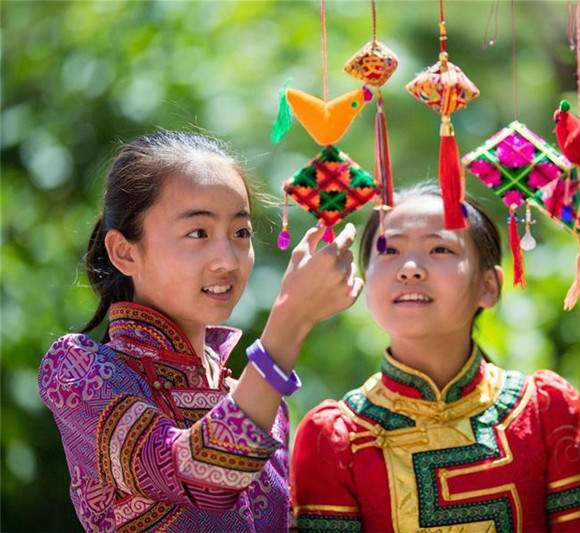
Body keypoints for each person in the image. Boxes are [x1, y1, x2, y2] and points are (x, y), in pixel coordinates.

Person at [38, 131, 362, 532]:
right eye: (198, 233)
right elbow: (202, 476)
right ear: (125, 252)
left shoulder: (259, 401)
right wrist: (290, 318)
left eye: (240, 233)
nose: (227, 260)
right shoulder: (79, 372)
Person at [291, 184, 580, 532]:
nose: (410, 269)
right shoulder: (334, 439)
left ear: (488, 286)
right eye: (389, 249)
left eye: (440, 248)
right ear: (365, 281)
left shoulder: (547, 413)